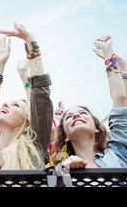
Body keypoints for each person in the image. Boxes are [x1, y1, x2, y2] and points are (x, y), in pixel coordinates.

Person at [0, 24, 53, 181]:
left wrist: (30, 41)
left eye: (16, 105)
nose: (5, 105)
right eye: (6, 103)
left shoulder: (34, 145)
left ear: (28, 119)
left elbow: (40, 97)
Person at [54, 34, 127, 169]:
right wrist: (64, 171)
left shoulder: (118, 154)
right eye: (69, 117)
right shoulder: (61, 169)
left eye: (83, 113)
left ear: (96, 128)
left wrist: (108, 54)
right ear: (65, 136)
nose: (76, 115)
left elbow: (120, 99)